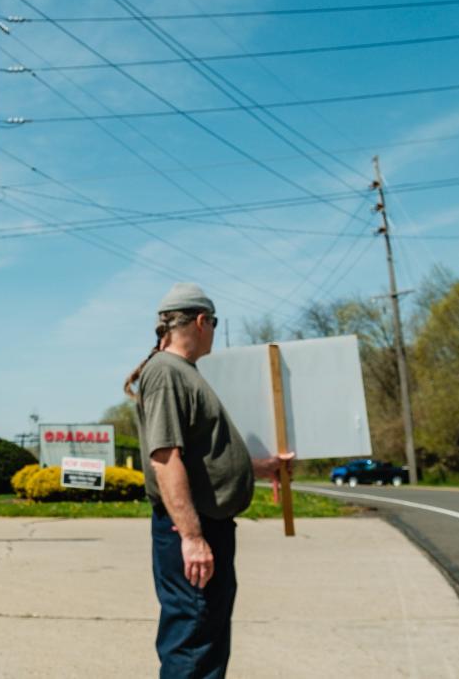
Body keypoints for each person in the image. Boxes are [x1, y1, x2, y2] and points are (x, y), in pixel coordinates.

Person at [124, 283, 292, 678]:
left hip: (207, 526)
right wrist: (193, 538)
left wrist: (259, 468)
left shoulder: (184, 372)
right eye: (213, 323)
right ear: (201, 321)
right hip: (192, 529)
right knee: (193, 642)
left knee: (207, 641)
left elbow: (204, 455)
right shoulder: (166, 373)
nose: (214, 331)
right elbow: (165, 459)